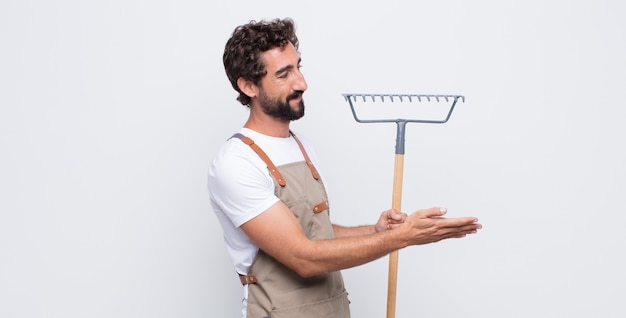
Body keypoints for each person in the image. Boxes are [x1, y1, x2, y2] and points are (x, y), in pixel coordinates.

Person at [208, 18, 482, 318]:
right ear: (249, 86)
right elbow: (303, 257)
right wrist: (402, 238)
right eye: (284, 74)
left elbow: (316, 234)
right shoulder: (236, 162)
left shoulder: (301, 146)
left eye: (298, 67)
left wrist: (375, 231)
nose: (301, 83)